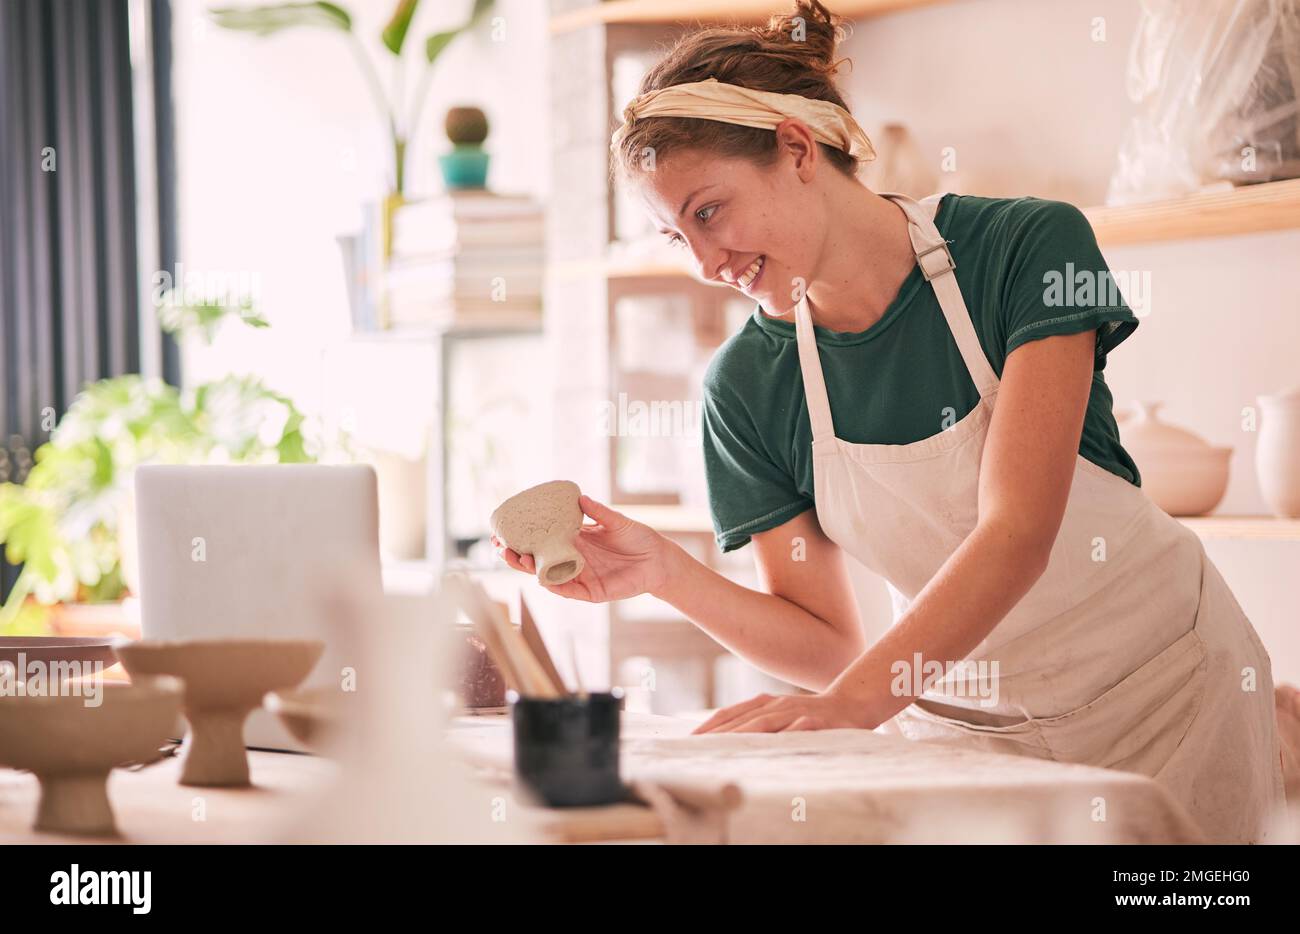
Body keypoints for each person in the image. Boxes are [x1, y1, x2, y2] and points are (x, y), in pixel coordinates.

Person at [493, 0, 1290, 843]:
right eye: (672, 236)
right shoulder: (746, 385)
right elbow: (830, 643)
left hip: (1169, 700)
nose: (703, 264)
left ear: (796, 150)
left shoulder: (1031, 247)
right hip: (963, 740)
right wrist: (664, 572)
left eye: (708, 211)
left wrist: (853, 706)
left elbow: (1018, 529)